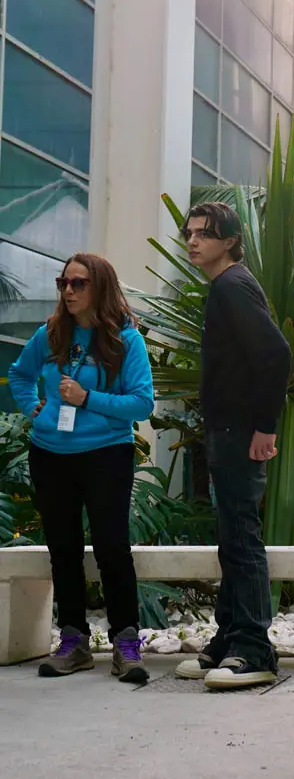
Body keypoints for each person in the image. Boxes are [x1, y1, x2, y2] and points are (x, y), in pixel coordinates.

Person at [8, 253, 154, 684]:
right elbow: (20, 374)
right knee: (63, 549)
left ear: (100, 287)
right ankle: (73, 640)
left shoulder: (126, 340)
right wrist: (34, 409)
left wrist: (87, 398)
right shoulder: (51, 334)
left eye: (78, 283)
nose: (68, 291)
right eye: (63, 283)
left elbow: (142, 403)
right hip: (50, 454)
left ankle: (126, 641)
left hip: (106, 453)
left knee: (112, 548)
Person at [175, 202, 291, 690]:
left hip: (241, 433)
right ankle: (229, 638)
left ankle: (254, 648)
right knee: (232, 539)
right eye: (189, 233)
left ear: (230, 241)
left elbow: (276, 354)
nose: (193, 241)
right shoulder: (224, 285)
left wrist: (264, 427)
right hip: (227, 431)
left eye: (205, 233)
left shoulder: (231, 285)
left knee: (242, 540)